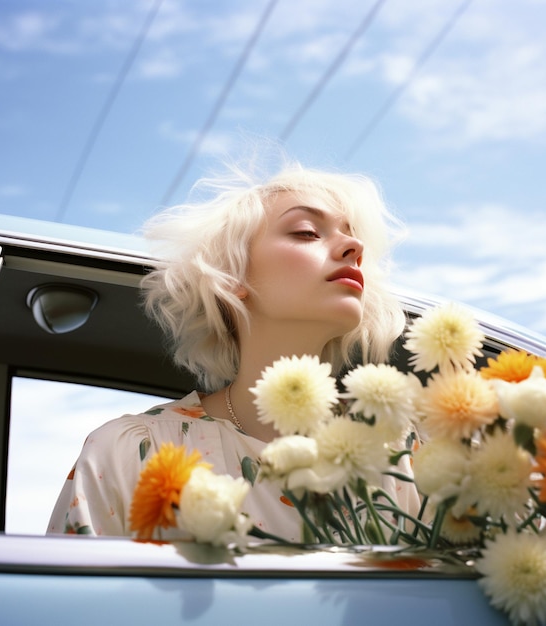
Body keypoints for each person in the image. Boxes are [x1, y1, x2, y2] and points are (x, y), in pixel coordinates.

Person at [47, 162, 420, 540]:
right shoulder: (134, 453)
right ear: (232, 275)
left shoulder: (402, 451)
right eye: (307, 232)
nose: (354, 247)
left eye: (352, 237)